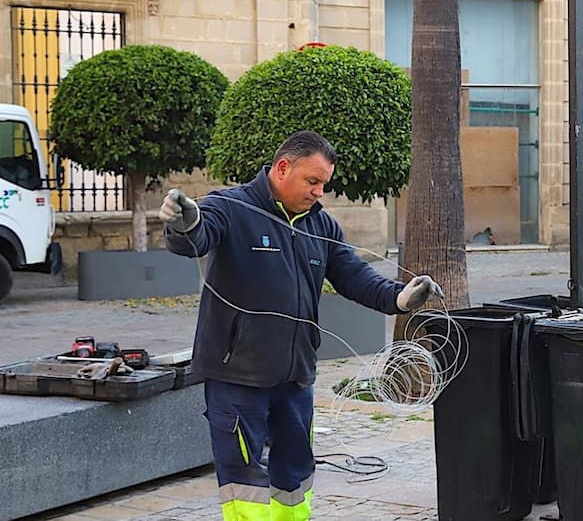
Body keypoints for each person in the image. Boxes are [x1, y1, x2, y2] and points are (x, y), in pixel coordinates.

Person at [159, 130, 441, 521]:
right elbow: (197, 237)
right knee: (243, 476)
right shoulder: (230, 206)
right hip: (237, 375)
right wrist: (183, 224)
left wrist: (399, 297)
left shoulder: (320, 225)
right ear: (282, 167)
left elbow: (354, 275)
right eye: (313, 181)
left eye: (324, 184)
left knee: (295, 472)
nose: (319, 192)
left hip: (294, 376)